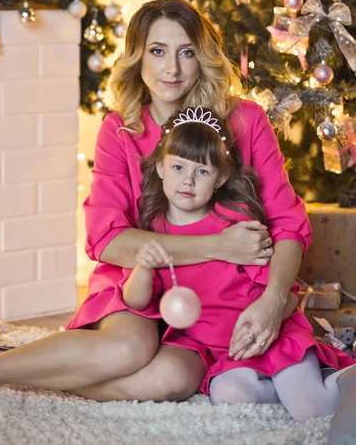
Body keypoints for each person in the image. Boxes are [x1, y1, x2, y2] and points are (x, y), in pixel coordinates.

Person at [0, 0, 312, 401]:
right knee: (128, 349)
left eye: (186, 53)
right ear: (138, 57)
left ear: (203, 58)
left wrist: (273, 299)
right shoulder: (119, 130)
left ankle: (23, 362)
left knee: (171, 381)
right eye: (157, 52)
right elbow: (107, 241)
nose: (171, 69)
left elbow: (289, 225)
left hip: (218, 294)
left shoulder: (245, 120)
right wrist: (219, 246)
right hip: (136, 281)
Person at [122, 106, 354, 421]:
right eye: (178, 167)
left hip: (270, 337)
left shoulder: (236, 226)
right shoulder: (156, 230)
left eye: (202, 171)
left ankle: (341, 378)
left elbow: (284, 296)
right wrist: (143, 267)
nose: (188, 180)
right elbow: (136, 301)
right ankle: (301, 387)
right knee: (229, 396)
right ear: (160, 168)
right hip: (228, 355)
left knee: (312, 408)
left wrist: (266, 325)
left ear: (221, 177)